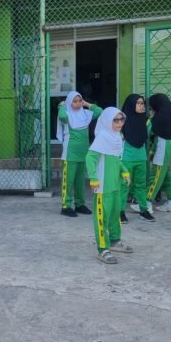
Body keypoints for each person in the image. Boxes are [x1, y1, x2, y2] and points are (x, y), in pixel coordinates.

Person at [86, 107, 133, 264]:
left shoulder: (117, 137)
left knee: (114, 216)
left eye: (122, 120)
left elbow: (116, 160)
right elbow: (90, 158)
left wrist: (124, 172)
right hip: (102, 187)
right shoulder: (102, 137)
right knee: (101, 218)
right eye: (116, 120)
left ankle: (114, 241)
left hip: (115, 186)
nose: (119, 123)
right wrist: (93, 178)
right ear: (107, 120)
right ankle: (102, 249)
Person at [57, 91, 103, 217]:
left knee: (80, 181)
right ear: (69, 102)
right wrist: (61, 106)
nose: (77, 104)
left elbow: (100, 111)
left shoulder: (85, 114)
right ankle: (65, 206)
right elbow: (61, 116)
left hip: (83, 153)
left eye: (79, 101)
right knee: (68, 181)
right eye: (74, 101)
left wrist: (87, 104)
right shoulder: (66, 114)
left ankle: (79, 204)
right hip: (70, 153)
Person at [122, 94, 155, 222]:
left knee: (141, 185)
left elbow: (145, 136)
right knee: (124, 186)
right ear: (131, 104)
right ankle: (120, 212)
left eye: (142, 103)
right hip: (126, 158)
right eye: (139, 103)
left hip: (141, 157)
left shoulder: (146, 120)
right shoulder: (121, 119)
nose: (142, 106)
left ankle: (144, 210)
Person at [146, 93, 171, 212]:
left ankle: (147, 202)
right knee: (169, 175)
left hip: (164, 145)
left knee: (156, 174)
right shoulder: (169, 115)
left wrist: (150, 118)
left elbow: (148, 131)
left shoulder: (157, 118)